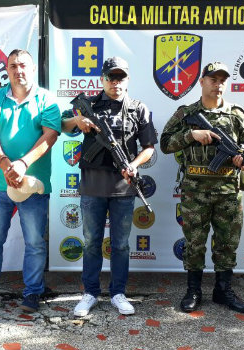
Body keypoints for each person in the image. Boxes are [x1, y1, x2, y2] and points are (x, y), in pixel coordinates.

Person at [0, 49, 61, 313]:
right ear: (7, 70)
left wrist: (23, 164)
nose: (18, 70)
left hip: (34, 184)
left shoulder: (47, 99)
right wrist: (7, 164)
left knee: (35, 242)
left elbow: (50, 136)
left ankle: (32, 293)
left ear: (33, 69)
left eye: (23, 65)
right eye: (13, 66)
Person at [62, 57, 157, 316]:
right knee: (92, 242)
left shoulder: (139, 109)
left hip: (124, 188)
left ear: (127, 80)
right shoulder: (88, 105)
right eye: (111, 78)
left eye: (121, 78)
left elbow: (149, 147)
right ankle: (90, 293)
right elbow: (61, 124)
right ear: (102, 79)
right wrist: (77, 122)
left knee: (121, 245)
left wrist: (135, 165)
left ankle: (118, 293)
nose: (116, 83)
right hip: (92, 186)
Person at [160, 62, 244, 313]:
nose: (218, 84)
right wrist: (192, 135)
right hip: (195, 191)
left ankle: (223, 291)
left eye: (223, 79)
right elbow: (165, 143)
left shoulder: (237, 114)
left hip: (228, 192)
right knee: (195, 243)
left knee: (227, 243)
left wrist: (242, 158)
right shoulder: (187, 113)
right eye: (213, 79)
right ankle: (193, 291)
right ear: (201, 82)